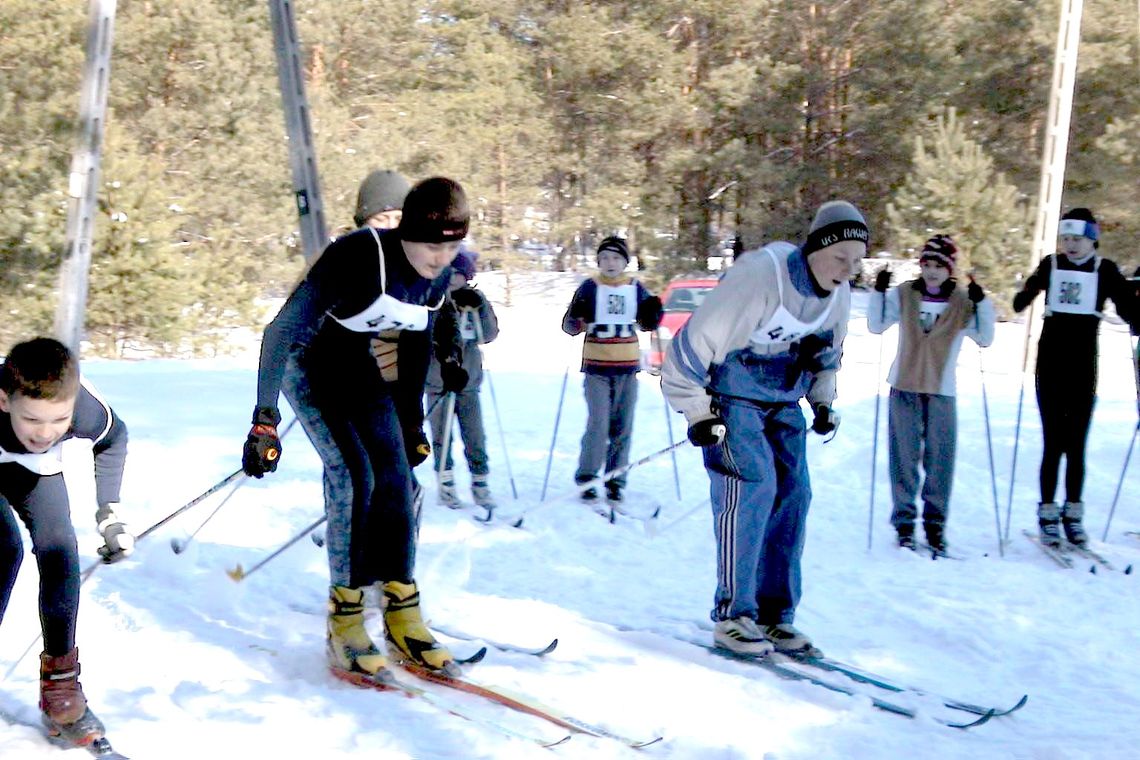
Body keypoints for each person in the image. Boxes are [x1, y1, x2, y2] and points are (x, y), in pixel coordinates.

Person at [242, 176, 470, 680]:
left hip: (355, 366)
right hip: (305, 363)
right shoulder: (358, 255)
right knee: (354, 478)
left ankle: (402, 613)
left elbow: (414, 351)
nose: (440, 257)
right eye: (432, 245)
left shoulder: (436, 278)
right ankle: (344, 620)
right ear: (406, 232)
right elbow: (279, 332)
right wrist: (264, 420)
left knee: (398, 481)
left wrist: (411, 424)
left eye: (451, 247)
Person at [662, 201, 868, 657]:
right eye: (840, 259)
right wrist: (697, 412)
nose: (847, 271)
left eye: (857, 263)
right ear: (817, 247)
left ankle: (776, 616)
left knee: (795, 494)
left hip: (782, 397)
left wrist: (822, 401)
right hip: (732, 397)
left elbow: (827, 352)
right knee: (753, 486)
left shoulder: (838, 293)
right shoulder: (762, 275)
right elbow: (693, 344)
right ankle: (734, 614)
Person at [0, 337, 134, 745]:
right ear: (4, 401)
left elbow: (114, 439)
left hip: (33, 473)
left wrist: (109, 511)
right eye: (32, 420)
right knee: (5, 550)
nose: (45, 432)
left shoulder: (85, 409)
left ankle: (61, 688)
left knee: (60, 550)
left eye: (58, 421)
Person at [1012, 207, 1138, 548]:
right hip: (1050, 363)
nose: (1070, 244)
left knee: (1077, 444)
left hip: (1083, 366)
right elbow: (1023, 297)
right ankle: (1048, 512)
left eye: (1077, 239)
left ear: (1092, 240)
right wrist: (1022, 297)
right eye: (1065, 238)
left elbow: (1129, 309)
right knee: (1054, 443)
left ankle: (1073, 514)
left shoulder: (1105, 269)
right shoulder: (1051, 265)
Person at [867, 235, 995, 555]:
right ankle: (905, 524)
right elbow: (875, 325)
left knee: (941, 460)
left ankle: (935, 525)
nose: (933, 271)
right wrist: (878, 291)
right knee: (904, 459)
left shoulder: (962, 301)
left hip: (941, 389)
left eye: (939, 265)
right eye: (927, 264)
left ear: (950, 269)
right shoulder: (906, 294)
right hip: (905, 385)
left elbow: (985, 337)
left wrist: (983, 303)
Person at [561, 236, 662, 503]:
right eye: (605, 258)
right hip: (596, 366)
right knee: (598, 424)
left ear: (625, 262)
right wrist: (577, 315)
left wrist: (653, 314)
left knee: (623, 425)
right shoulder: (590, 286)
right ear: (598, 261)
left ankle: (616, 478)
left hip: (627, 366)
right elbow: (569, 327)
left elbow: (646, 323)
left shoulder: (634, 287)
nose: (610, 263)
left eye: (616, 258)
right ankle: (588, 476)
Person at [425, 247, 500, 510]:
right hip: (438, 382)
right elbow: (428, 333)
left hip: (468, 381)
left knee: (475, 435)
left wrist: (479, 310)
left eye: (459, 273)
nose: (453, 277)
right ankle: (445, 484)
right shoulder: (433, 297)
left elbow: (489, 334)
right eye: (450, 272)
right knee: (441, 436)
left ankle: (480, 483)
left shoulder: (476, 298)